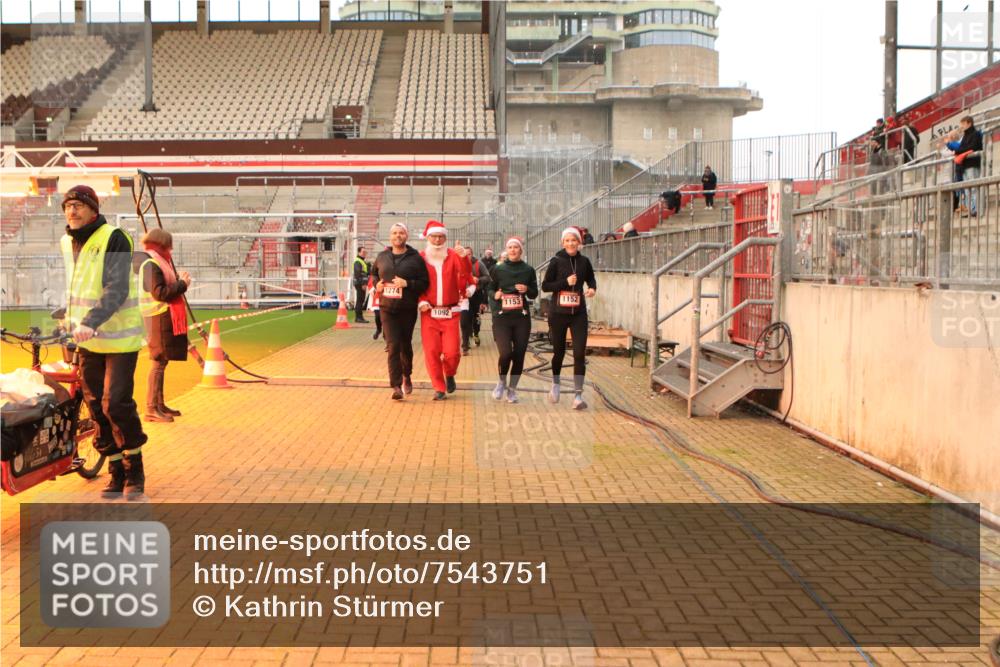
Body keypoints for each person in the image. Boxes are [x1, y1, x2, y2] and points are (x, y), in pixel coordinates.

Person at [60, 185, 148, 499]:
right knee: (96, 406)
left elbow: (116, 288)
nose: (72, 211)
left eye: (78, 205)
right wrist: (68, 314)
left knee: (117, 403)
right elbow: (79, 285)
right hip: (87, 341)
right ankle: (114, 470)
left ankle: (134, 470)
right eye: (67, 206)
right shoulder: (66, 241)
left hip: (119, 339)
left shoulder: (114, 237)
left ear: (93, 209)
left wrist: (90, 321)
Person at [135, 229, 191, 424]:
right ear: (162, 244)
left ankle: (159, 404)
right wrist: (182, 284)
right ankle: (151, 408)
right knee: (158, 362)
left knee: (162, 361)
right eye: (169, 245)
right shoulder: (151, 263)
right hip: (157, 316)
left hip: (159, 316)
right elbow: (160, 293)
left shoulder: (154, 261)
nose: (171, 250)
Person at [417, 220, 475, 400]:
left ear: (445, 238)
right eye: (434, 236)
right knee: (432, 352)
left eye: (440, 236)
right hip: (429, 313)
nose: (437, 240)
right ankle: (439, 387)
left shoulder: (453, 255)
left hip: (451, 313)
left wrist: (464, 256)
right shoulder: (421, 257)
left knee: (452, 353)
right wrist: (421, 301)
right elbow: (416, 283)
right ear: (428, 238)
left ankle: (449, 373)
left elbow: (466, 274)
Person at [541, 226, 597, 410]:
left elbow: (591, 279)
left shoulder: (585, 262)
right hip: (558, 314)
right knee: (559, 352)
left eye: (574, 240)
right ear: (562, 243)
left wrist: (591, 289)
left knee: (579, 353)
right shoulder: (556, 261)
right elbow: (546, 286)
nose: (571, 243)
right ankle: (556, 384)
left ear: (579, 243)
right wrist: (565, 282)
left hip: (578, 314)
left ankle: (578, 396)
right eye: (567, 240)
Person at [372, 223, 429, 400]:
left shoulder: (416, 258)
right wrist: (377, 284)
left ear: (407, 236)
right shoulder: (382, 256)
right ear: (390, 236)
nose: (398, 236)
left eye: (401, 233)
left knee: (405, 344)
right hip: (387, 308)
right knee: (393, 345)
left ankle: (407, 375)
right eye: (395, 233)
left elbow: (424, 282)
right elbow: (374, 274)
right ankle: (396, 386)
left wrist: (408, 284)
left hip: (407, 308)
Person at [488, 236, 538, 403]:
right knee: (505, 353)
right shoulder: (498, 269)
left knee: (519, 354)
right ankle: (501, 382)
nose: (513, 250)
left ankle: (512, 389)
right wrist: (494, 295)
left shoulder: (528, 270)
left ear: (521, 250)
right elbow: (489, 287)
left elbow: (534, 293)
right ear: (506, 250)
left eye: (516, 247)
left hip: (521, 318)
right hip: (502, 318)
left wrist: (527, 289)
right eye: (510, 247)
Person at [947, 115, 983, 215]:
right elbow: (963, 147)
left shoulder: (975, 134)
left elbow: (973, 147)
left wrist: (958, 151)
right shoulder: (965, 136)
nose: (961, 126)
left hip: (973, 164)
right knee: (967, 189)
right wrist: (959, 151)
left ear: (969, 123)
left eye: (963, 124)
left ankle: (976, 209)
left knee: (974, 188)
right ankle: (971, 210)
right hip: (965, 165)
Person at [460, 248, 488, 354]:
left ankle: (476, 333)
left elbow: (488, 277)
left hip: (476, 295)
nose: (467, 256)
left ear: (472, 254)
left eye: (469, 254)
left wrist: (478, 279)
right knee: (464, 320)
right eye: (465, 254)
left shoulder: (478, 264)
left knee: (476, 317)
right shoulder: (458, 264)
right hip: (464, 296)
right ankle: (465, 344)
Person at [353, 247, 370, 323]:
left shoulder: (362, 261)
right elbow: (358, 274)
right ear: (359, 252)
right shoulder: (358, 261)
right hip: (360, 283)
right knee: (360, 300)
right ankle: (358, 317)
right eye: (363, 252)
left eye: (365, 252)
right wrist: (363, 284)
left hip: (361, 283)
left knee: (360, 300)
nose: (364, 253)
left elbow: (365, 273)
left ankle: (359, 317)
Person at [366, 273, 382, 340]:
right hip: (377, 297)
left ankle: (387, 334)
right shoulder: (375, 271)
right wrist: (373, 290)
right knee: (377, 316)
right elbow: (370, 282)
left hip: (388, 297)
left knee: (387, 317)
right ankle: (379, 329)